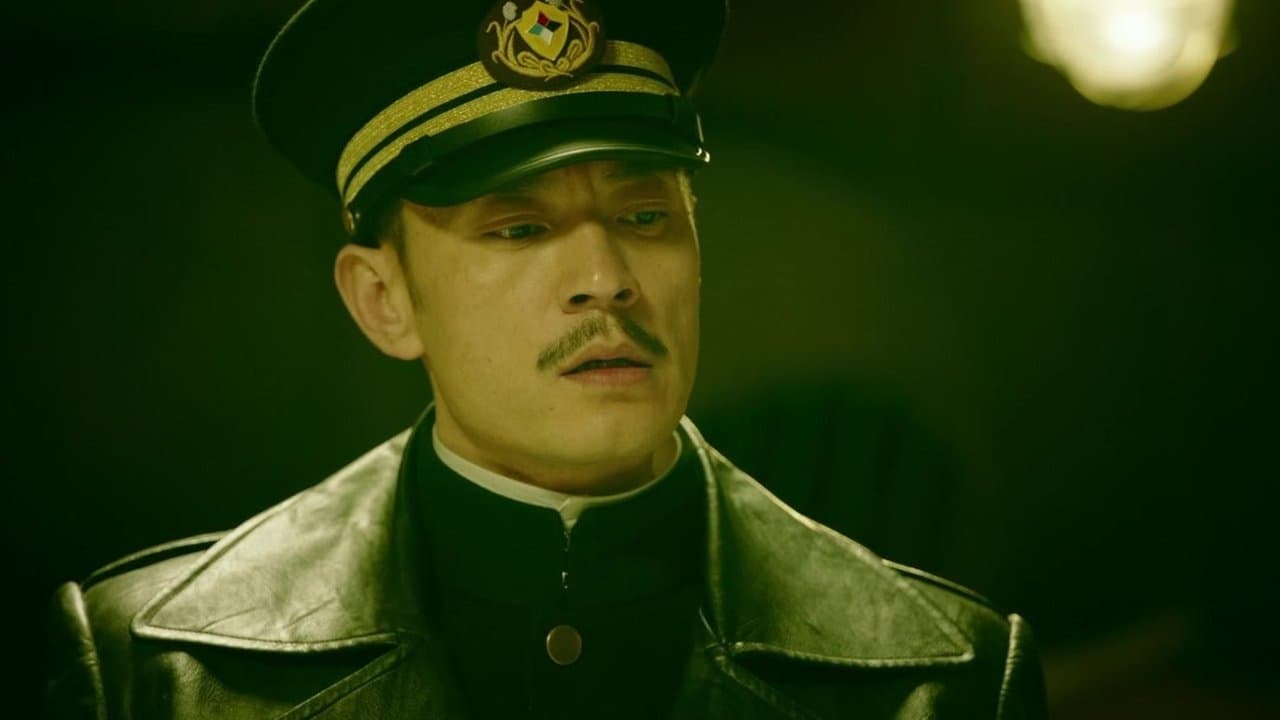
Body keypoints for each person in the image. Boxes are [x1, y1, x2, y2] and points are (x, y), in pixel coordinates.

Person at [44, 1, 1048, 718]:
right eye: (518, 229)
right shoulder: (161, 670)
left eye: (644, 216)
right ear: (384, 300)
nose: (605, 280)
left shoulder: (939, 677)